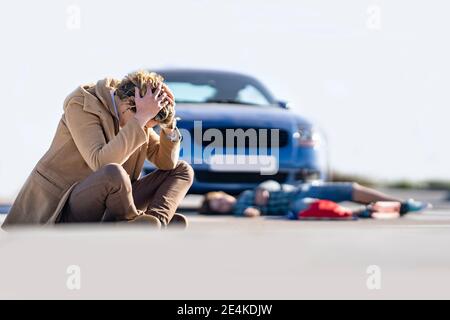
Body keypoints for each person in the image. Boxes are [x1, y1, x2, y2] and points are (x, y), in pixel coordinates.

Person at [2, 70, 194, 230]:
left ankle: (156, 223)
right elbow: (101, 163)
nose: (146, 128)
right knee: (113, 172)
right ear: (129, 105)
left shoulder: (136, 118)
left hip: (112, 204)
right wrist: (141, 119)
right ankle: (129, 223)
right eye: (146, 122)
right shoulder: (82, 104)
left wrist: (168, 126)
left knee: (182, 170)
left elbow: (166, 163)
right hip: (65, 206)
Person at [199, 180, 431, 218]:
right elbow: (251, 213)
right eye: (218, 206)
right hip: (295, 204)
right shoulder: (240, 209)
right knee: (313, 208)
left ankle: (399, 202)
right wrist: (252, 212)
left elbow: (272, 183)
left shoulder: (247, 193)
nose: (222, 203)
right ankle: (368, 212)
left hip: (301, 189)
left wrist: (263, 187)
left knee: (350, 189)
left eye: (219, 198)